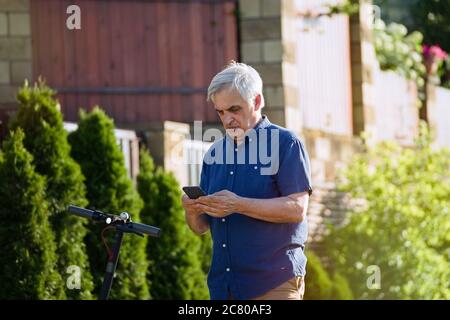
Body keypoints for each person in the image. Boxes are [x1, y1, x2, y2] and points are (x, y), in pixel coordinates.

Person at [182, 61, 312, 300]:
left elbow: (297, 208)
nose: (227, 119)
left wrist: (238, 204)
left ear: (257, 101)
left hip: (274, 282)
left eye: (234, 109)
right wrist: (192, 211)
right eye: (221, 112)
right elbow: (201, 228)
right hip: (224, 287)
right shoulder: (214, 154)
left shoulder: (286, 144)